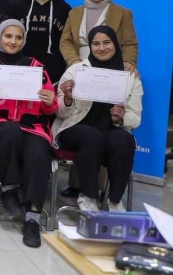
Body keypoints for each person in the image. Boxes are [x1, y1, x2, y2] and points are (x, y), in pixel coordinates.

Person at [0, 20, 58, 248]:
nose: (13, 41)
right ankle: (10, 189)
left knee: (38, 150)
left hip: (33, 126)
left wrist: (50, 101)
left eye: (18, 37)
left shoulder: (36, 67)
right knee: (10, 132)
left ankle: (32, 218)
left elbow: (51, 108)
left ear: (24, 40)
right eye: (8, 36)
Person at [55, 26, 141, 212]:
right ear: (90, 46)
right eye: (96, 44)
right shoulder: (76, 70)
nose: (101, 48)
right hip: (75, 128)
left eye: (107, 42)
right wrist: (68, 98)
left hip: (110, 129)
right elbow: (59, 112)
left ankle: (115, 201)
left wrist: (121, 118)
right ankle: (88, 196)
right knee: (92, 137)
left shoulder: (130, 76)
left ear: (115, 44)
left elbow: (135, 117)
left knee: (124, 140)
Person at [60, 0, 139, 72]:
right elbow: (65, 41)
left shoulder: (123, 13)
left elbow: (129, 43)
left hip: (111, 69)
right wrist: (74, 62)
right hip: (78, 68)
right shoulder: (74, 13)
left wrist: (128, 61)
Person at [15, 0, 70, 83]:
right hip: (22, 66)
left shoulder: (64, 9)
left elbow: (66, 40)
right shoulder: (19, 7)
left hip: (53, 70)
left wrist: (55, 62)